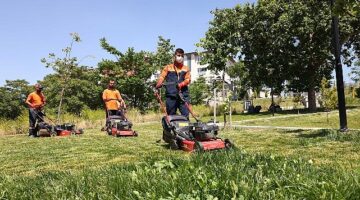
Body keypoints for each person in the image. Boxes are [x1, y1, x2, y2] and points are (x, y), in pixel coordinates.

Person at [156, 48, 191, 118]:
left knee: (185, 115)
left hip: (183, 96)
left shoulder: (186, 68)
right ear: (174, 56)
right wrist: (159, 83)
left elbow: (188, 80)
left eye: (182, 56)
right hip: (171, 96)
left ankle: (185, 128)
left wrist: (181, 84)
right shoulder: (168, 67)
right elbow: (162, 77)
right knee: (171, 116)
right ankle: (171, 128)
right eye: (178, 55)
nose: (180, 57)